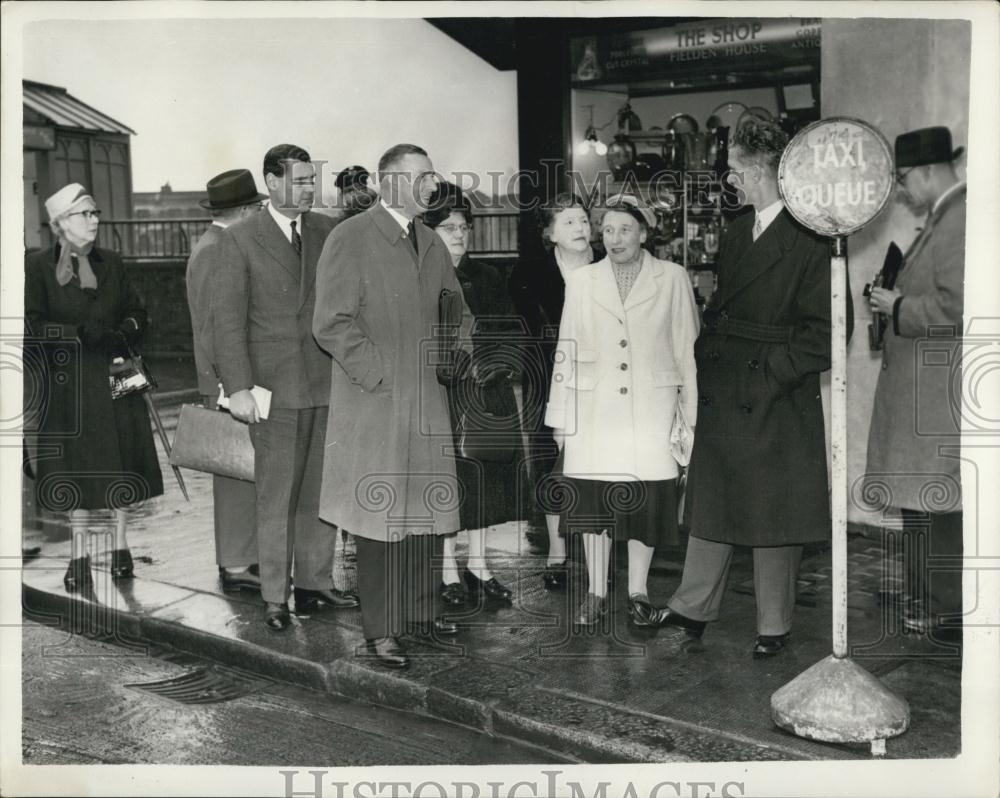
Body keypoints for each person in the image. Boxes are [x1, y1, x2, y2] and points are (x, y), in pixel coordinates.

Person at [658, 118, 853, 658]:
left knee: (774, 511)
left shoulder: (815, 237)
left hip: (774, 394)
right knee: (716, 499)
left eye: (735, 171)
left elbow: (828, 333)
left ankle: (774, 624)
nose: (730, 180)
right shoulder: (737, 231)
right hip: (728, 384)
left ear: (759, 172)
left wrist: (772, 374)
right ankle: (692, 606)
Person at [313, 143, 471, 670]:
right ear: (388, 183)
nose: (432, 185)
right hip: (375, 403)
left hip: (427, 400)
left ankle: (421, 612)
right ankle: (381, 630)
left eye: (433, 176)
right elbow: (331, 322)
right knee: (379, 518)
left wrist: (457, 351)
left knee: (426, 508)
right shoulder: (350, 237)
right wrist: (378, 373)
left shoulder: (430, 241)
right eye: (421, 177)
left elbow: (457, 309)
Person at [213, 144, 359, 631]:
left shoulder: (327, 230)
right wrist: (238, 388)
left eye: (312, 180)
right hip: (273, 390)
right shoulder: (240, 239)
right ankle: (275, 595)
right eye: (299, 181)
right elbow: (226, 322)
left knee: (321, 491)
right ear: (272, 183)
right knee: (276, 497)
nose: (309, 189)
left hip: (326, 381)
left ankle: (315, 584)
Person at [545, 195, 699, 626]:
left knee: (645, 502)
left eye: (625, 229)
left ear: (643, 233)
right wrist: (560, 418)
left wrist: (689, 417)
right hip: (594, 411)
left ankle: (638, 592)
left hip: (653, 409)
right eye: (608, 230)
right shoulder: (583, 281)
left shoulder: (672, 277)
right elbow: (566, 348)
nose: (615, 239)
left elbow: (686, 349)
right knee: (595, 504)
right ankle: (595, 592)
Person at [25, 183, 163, 591]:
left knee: (122, 461)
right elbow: (32, 326)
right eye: (84, 214)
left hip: (117, 373)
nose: (93, 220)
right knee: (76, 470)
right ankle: (79, 556)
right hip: (70, 385)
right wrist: (78, 334)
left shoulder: (112, 262)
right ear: (60, 223)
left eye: (94, 212)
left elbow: (137, 310)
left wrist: (126, 331)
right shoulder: (38, 267)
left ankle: (120, 547)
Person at [865, 126, 966, 638]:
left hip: (936, 394)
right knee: (924, 503)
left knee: (938, 504)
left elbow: (959, 306)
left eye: (904, 179)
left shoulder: (961, 219)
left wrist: (898, 306)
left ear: (927, 170)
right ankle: (932, 602)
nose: (902, 191)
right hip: (923, 392)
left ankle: (950, 612)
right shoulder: (943, 219)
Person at [424, 183, 522, 607]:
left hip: (486, 389)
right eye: (449, 227)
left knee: (486, 483)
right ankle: (448, 570)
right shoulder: (420, 276)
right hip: (442, 393)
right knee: (449, 483)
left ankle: (479, 566)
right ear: (429, 230)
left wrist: (497, 364)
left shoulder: (488, 277)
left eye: (464, 227)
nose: (460, 235)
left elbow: (510, 330)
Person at [186, 168, 266, 593]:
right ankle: (236, 564)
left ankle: (241, 558)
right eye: (257, 208)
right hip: (227, 382)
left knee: (239, 468)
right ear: (246, 210)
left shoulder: (213, 245)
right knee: (235, 471)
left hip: (224, 379)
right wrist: (231, 384)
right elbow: (217, 325)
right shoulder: (220, 249)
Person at [508, 194, 593, 591]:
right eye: (569, 222)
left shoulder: (610, 266)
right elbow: (525, 331)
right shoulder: (529, 274)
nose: (580, 228)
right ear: (550, 233)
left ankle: (598, 552)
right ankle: (557, 553)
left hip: (601, 380)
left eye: (583, 220)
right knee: (549, 463)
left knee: (600, 465)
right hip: (546, 380)